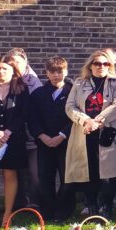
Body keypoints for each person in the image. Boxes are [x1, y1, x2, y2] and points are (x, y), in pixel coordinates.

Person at [63, 50, 116, 217]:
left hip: (106, 133)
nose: (101, 66)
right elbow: (70, 106)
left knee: (108, 173)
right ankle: (92, 208)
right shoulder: (79, 83)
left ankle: (107, 208)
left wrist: (97, 121)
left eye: (106, 64)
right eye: (97, 63)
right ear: (90, 66)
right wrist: (86, 121)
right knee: (88, 172)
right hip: (84, 133)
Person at [29, 56, 72, 220]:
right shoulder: (38, 94)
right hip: (44, 142)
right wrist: (41, 135)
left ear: (66, 71)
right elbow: (32, 118)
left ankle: (63, 211)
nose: (56, 75)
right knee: (45, 177)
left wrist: (62, 135)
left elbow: (76, 117)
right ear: (46, 73)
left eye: (59, 71)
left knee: (67, 178)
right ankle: (47, 211)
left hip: (66, 142)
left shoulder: (72, 92)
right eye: (52, 72)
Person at [0, 56, 31, 224]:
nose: (1, 71)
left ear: (13, 72)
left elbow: (24, 113)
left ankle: (7, 214)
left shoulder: (22, 89)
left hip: (14, 138)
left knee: (10, 173)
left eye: (5, 69)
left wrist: (7, 133)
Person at [5, 48, 42, 209]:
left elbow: (33, 110)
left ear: (25, 62)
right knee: (15, 171)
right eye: (12, 62)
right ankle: (18, 203)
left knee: (35, 172)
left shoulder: (33, 82)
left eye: (18, 62)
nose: (15, 65)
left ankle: (36, 202)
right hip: (12, 134)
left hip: (31, 134)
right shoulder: (7, 81)